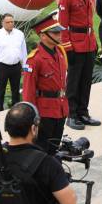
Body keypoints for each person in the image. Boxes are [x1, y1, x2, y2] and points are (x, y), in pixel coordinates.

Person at [58, 0, 101, 130]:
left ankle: (83, 112)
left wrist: (94, 40)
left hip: (88, 41)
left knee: (85, 80)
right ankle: (72, 114)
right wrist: (68, 47)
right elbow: (62, 26)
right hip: (75, 43)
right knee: (74, 81)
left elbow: (90, 19)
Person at [22, 11, 69, 156]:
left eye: (59, 32)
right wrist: (32, 117)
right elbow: (28, 91)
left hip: (59, 108)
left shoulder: (60, 53)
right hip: (44, 111)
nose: (59, 35)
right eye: (55, 33)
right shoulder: (34, 59)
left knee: (54, 148)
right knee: (41, 150)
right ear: (43, 36)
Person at [0, 13, 28, 111]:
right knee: (0, 91)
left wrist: (25, 66)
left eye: (12, 22)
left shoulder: (20, 34)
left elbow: (24, 52)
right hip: (2, 66)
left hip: (16, 66)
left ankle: (16, 112)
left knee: (16, 91)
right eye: (8, 22)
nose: (10, 24)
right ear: (2, 23)